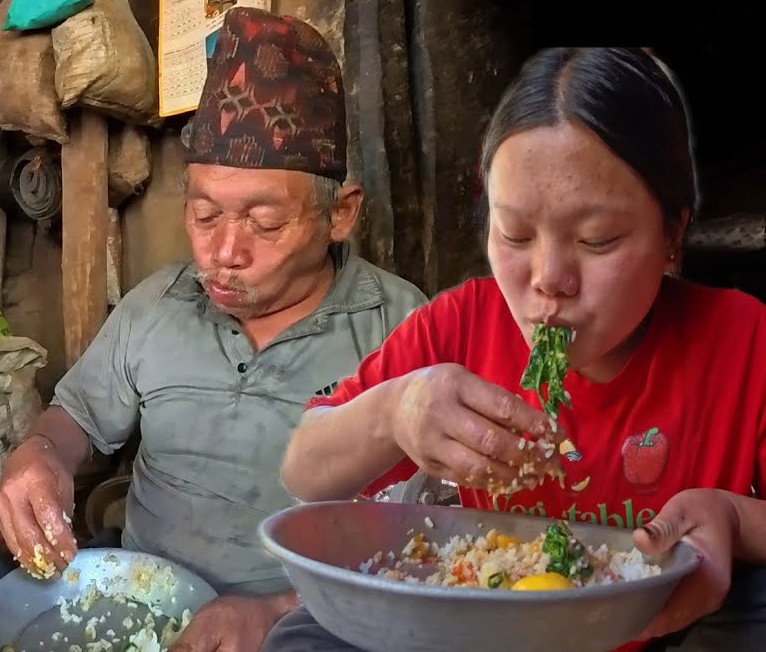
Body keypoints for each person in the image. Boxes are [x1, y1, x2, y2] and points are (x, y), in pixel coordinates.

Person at [0, 7, 428, 652]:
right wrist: (40, 454)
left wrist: (274, 611)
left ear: (340, 215)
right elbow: (74, 419)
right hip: (144, 592)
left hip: (305, 615)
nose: (225, 252)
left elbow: (424, 539)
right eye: (204, 214)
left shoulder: (401, 329)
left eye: (265, 223)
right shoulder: (159, 302)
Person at [274, 47, 766, 651]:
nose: (549, 280)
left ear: (673, 233)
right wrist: (394, 411)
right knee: (302, 637)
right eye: (515, 234)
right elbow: (303, 470)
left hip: (666, 633)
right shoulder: (460, 327)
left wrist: (736, 519)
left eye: (597, 240)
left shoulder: (743, 341)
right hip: (490, 635)